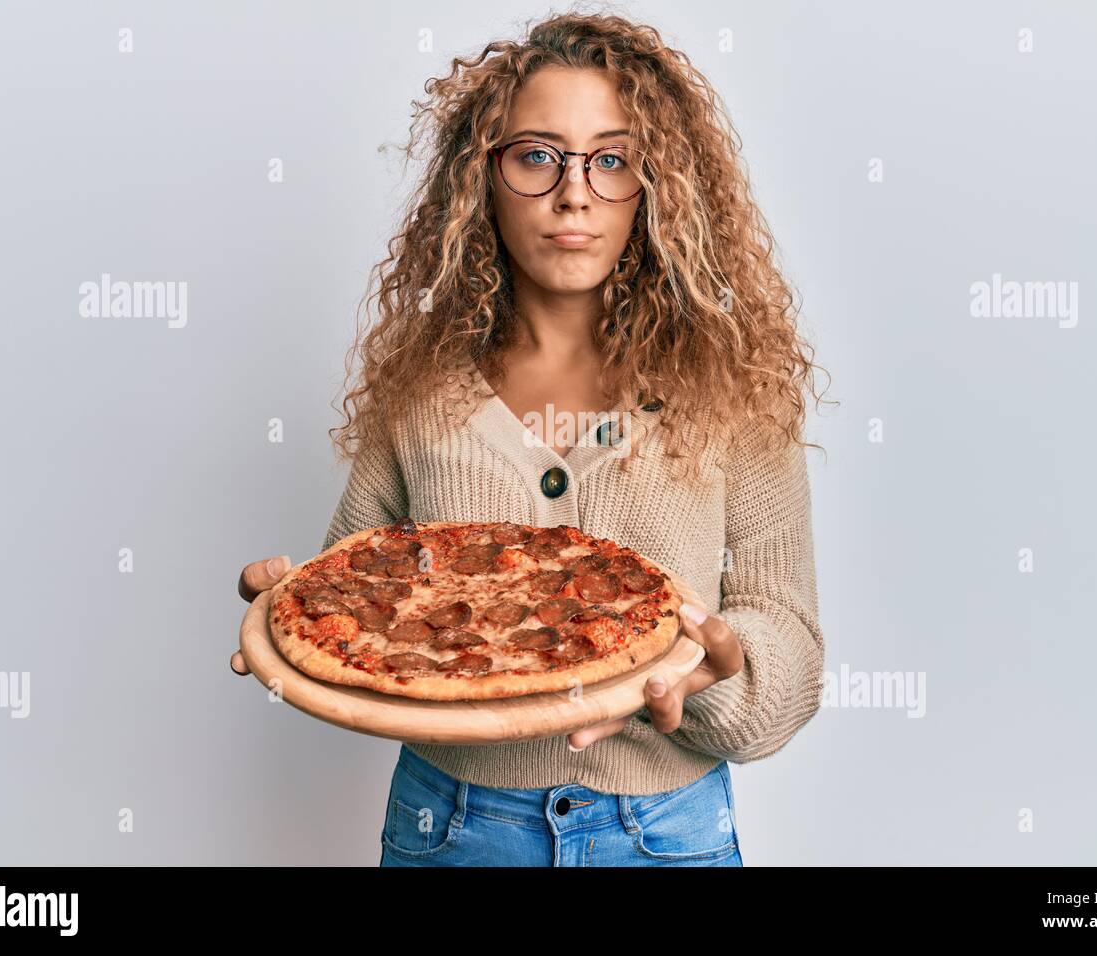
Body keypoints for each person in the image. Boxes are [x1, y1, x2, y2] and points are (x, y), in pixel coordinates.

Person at [232, 11, 828, 867]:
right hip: (452, 827)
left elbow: (793, 647)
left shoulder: (736, 393)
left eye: (612, 160)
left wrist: (718, 677)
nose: (574, 192)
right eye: (537, 155)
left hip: (665, 835)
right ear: (483, 178)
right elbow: (358, 587)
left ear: (656, 183)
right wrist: (293, 604)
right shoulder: (422, 391)